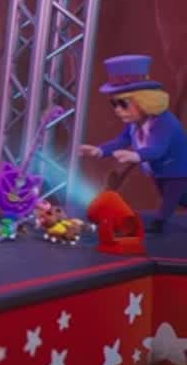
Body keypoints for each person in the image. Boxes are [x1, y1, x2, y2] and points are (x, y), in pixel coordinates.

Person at [79, 55, 187, 233]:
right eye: (114, 104)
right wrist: (99, 151)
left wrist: (136, 155)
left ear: (145, 102)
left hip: (178, 170)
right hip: (159, 172)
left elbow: (158, 149)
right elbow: (122, 140)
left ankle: (158, 224)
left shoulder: (165, 122)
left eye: (123, 104)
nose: (118, 110)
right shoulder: (134, 123)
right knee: (182, 198)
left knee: (171, 197)